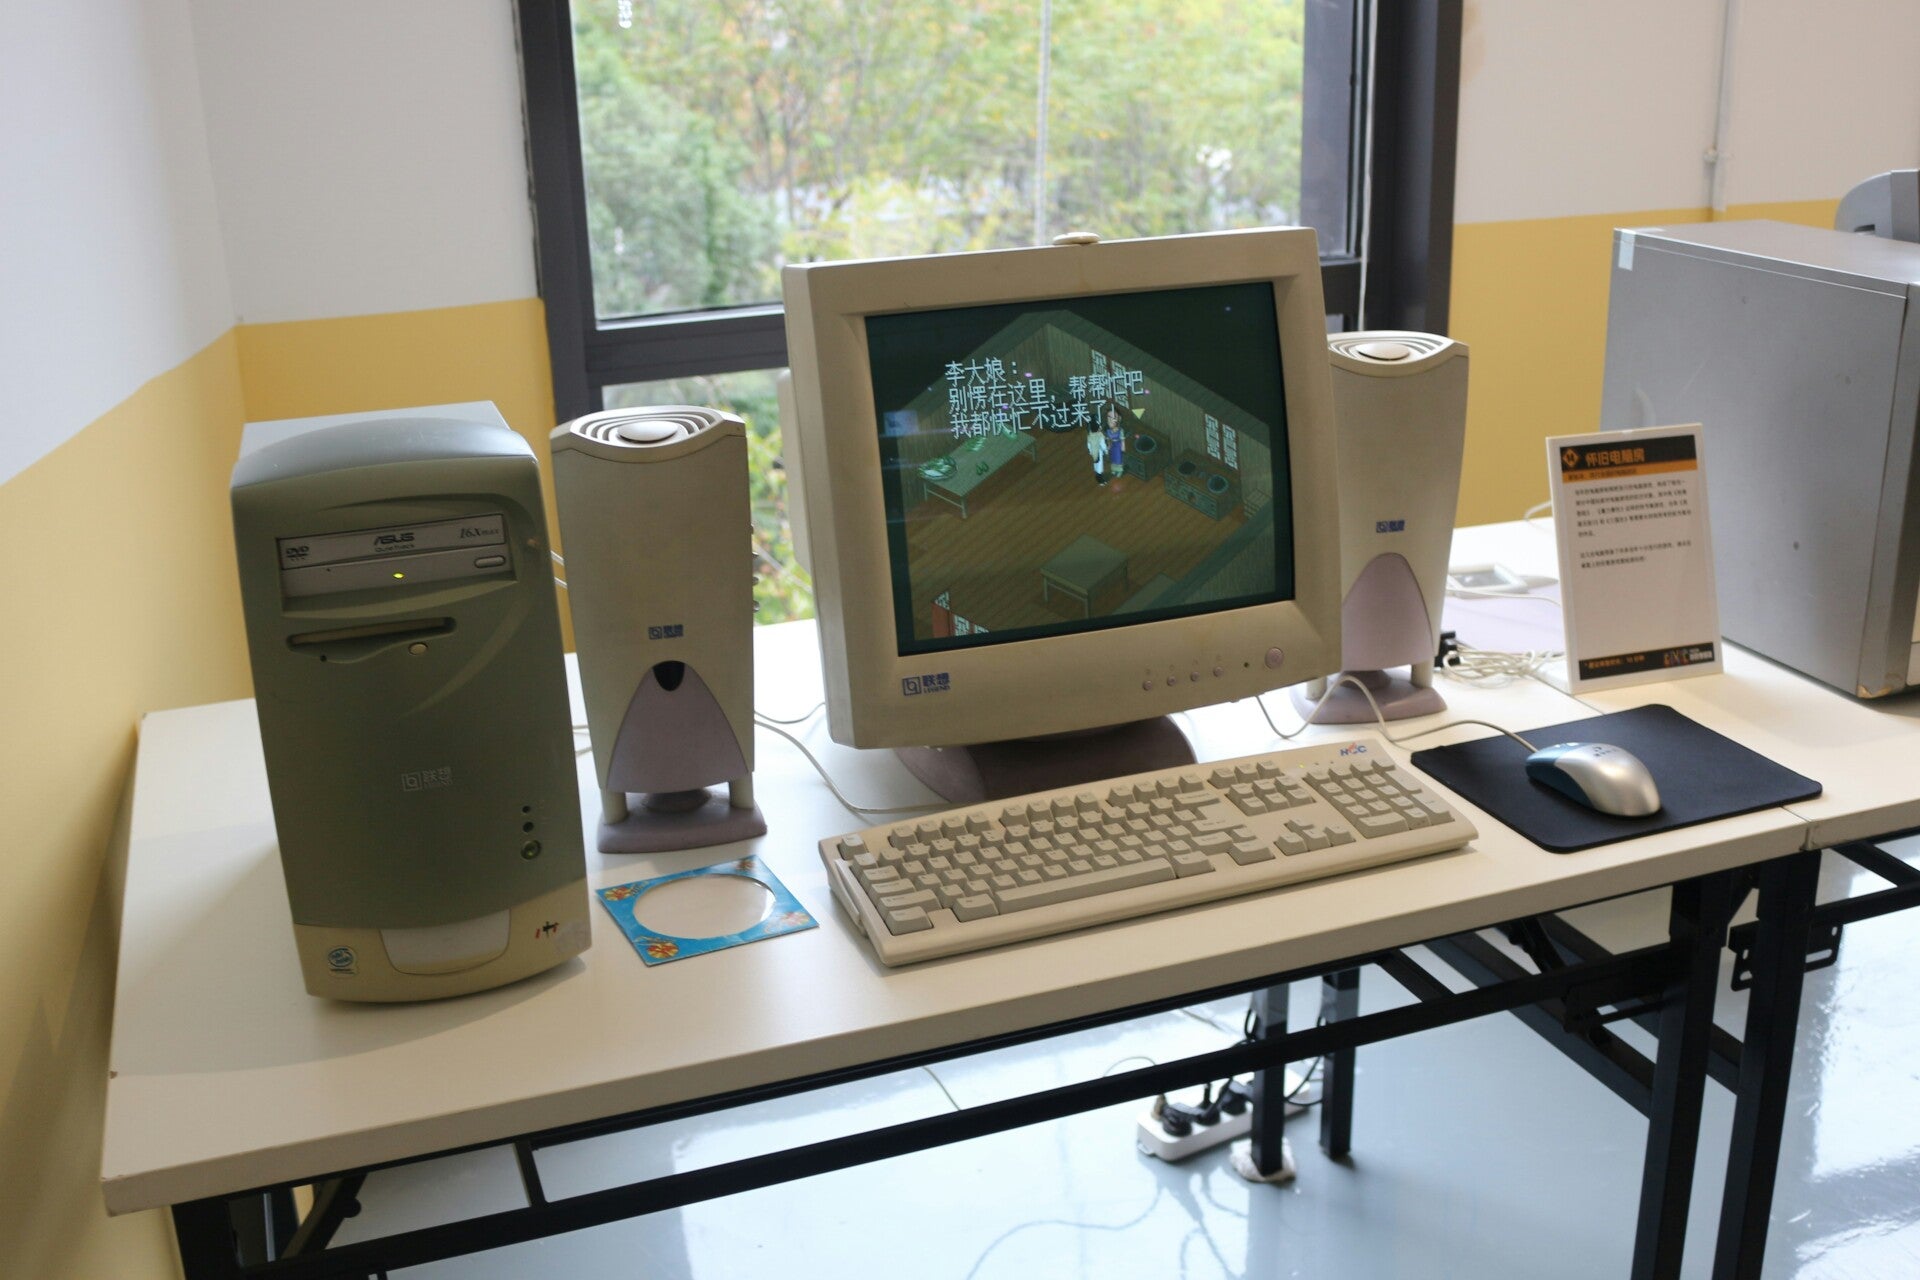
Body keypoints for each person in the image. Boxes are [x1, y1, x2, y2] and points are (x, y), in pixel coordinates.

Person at [1104, 403, 1127, 487]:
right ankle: (1114, 469)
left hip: (1118, 445)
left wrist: (1123, 447)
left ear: (1118, 418)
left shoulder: (1120, 430)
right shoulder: (1108, 431)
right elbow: (1108, 440)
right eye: (1109, 417)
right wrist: (1108, 446)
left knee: (1118, 458)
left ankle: (1119, 470)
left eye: (1113, 417)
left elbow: (1122, 439)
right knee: (1113, 458)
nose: (1111, 420)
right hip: (1112, 446)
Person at [1085, 417, 1106, 484]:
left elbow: (1088, 445)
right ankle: (1100, 480)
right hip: (1099, 452)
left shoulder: (1090, 436)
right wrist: (1106, 450)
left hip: (1093, 452)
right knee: (1099, 466)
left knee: (1096, 464)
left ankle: (1098, 477)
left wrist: (1090, 451)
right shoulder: (1100, 435)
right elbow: (1103, 444)